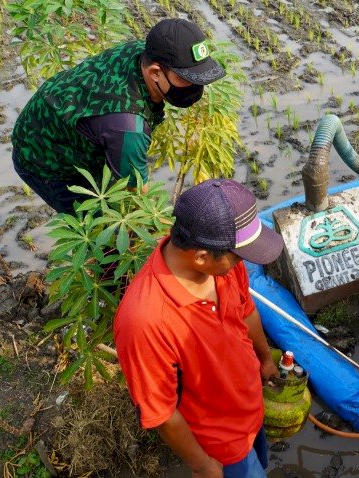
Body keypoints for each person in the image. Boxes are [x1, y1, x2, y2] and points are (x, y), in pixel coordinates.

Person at [114, 179, 285, 477]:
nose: (241, 263)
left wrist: (265, 359)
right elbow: (163, 413)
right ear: (201, 257)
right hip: (219, 444)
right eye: (238, 255)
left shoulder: (224, 266)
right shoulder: (145, 321)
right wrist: (203, 465)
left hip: (250, 410)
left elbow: (246, 313)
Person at [12, 18, 226, 214]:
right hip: (43, 160)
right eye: (187, 78)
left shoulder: (141, 52)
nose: (196, 86)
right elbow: (136, 193)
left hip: (56, 117)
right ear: (154, 72)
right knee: (101, 230)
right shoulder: (128, 127)